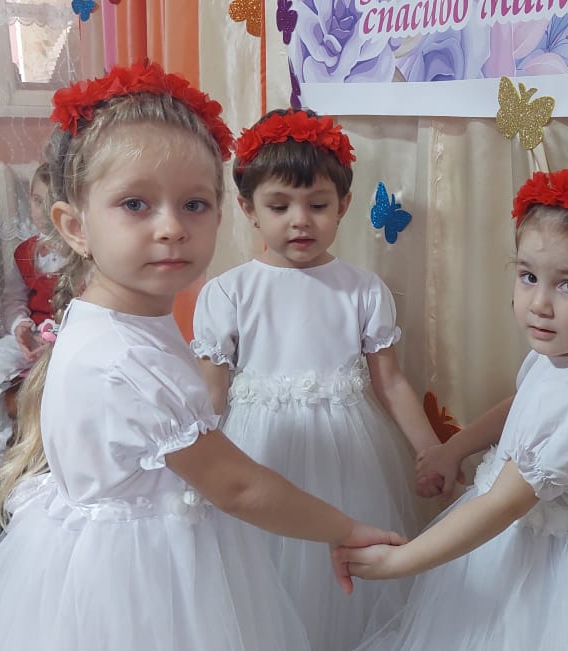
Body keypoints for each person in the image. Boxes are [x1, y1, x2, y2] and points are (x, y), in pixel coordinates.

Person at [0, 61, 402, 651]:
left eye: (194, 204)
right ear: (74, 225)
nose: (172, 228)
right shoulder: (130, 357)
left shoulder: (110, 317)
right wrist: (343, 528)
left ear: (221, 213)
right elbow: (237, 486)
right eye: (135, 204)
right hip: (142, 579)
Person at [342, 165, 568, 650]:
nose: (539, 304)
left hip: (547, 564)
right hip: (526, 536)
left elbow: (503, 503)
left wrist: (403, 561)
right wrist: (455, 448)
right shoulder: (566, 356)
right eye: (528, 277)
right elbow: (520, 405)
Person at [191, 108, 441, 650]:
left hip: (347, 455)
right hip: (259, 451)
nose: (300, 220)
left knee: (344, 573)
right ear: (248, 209)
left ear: (343, 206)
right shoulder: (228, 292)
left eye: (318, 205)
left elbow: (391, 382)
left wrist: (429, 450)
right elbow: (211, 392)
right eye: (279, 206)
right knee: (261, 567)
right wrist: (194, 469)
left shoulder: (363, 288)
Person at [0, 164, 61, 493]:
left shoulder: (90, 251)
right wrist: (19, 326)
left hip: (72, 338)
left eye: (54, 202)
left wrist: (59, 337)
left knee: (61, 382)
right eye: (37, 201)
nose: (43, 211)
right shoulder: (24, 252)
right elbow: (13, 300)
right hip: (32, 335)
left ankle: (54, 453)